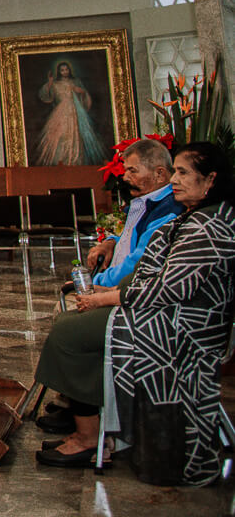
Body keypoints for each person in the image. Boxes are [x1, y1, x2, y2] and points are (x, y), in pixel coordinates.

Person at [32, 142, 235, 483]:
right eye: (176, 172)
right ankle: (89, 424)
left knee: (70, 333)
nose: (175, 180)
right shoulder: (195, 215)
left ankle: (88, 438)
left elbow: (169, 288)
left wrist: (107, 298)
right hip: (159, 311)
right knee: (74, 323)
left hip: (176, 324)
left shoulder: (207, 229)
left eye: (183, 173)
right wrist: (109, 290)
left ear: (210, 179)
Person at [83, 138, 181, 287]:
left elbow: (138, 263)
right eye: (125, 170)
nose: (125, 177)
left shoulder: (167, 209)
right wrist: (111, 243)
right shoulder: (146, 202)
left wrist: (93, 283)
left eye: (132, 171)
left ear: (159, 174)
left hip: (131, 291)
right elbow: (130, 242)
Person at [35, 59, 109, 166]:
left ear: (69, 70)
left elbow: (83, 96)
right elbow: (46, 96)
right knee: (61, 135)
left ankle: (75, 160)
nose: (64, 72)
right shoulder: (56, 84)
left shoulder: (75, 82)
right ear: (59, 72)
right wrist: (50, 82)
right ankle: (61, 160)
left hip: (75, 112)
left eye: (66, 69)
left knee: (75, 135)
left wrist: (82, 92)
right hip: (61, 112)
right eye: (62, 70)